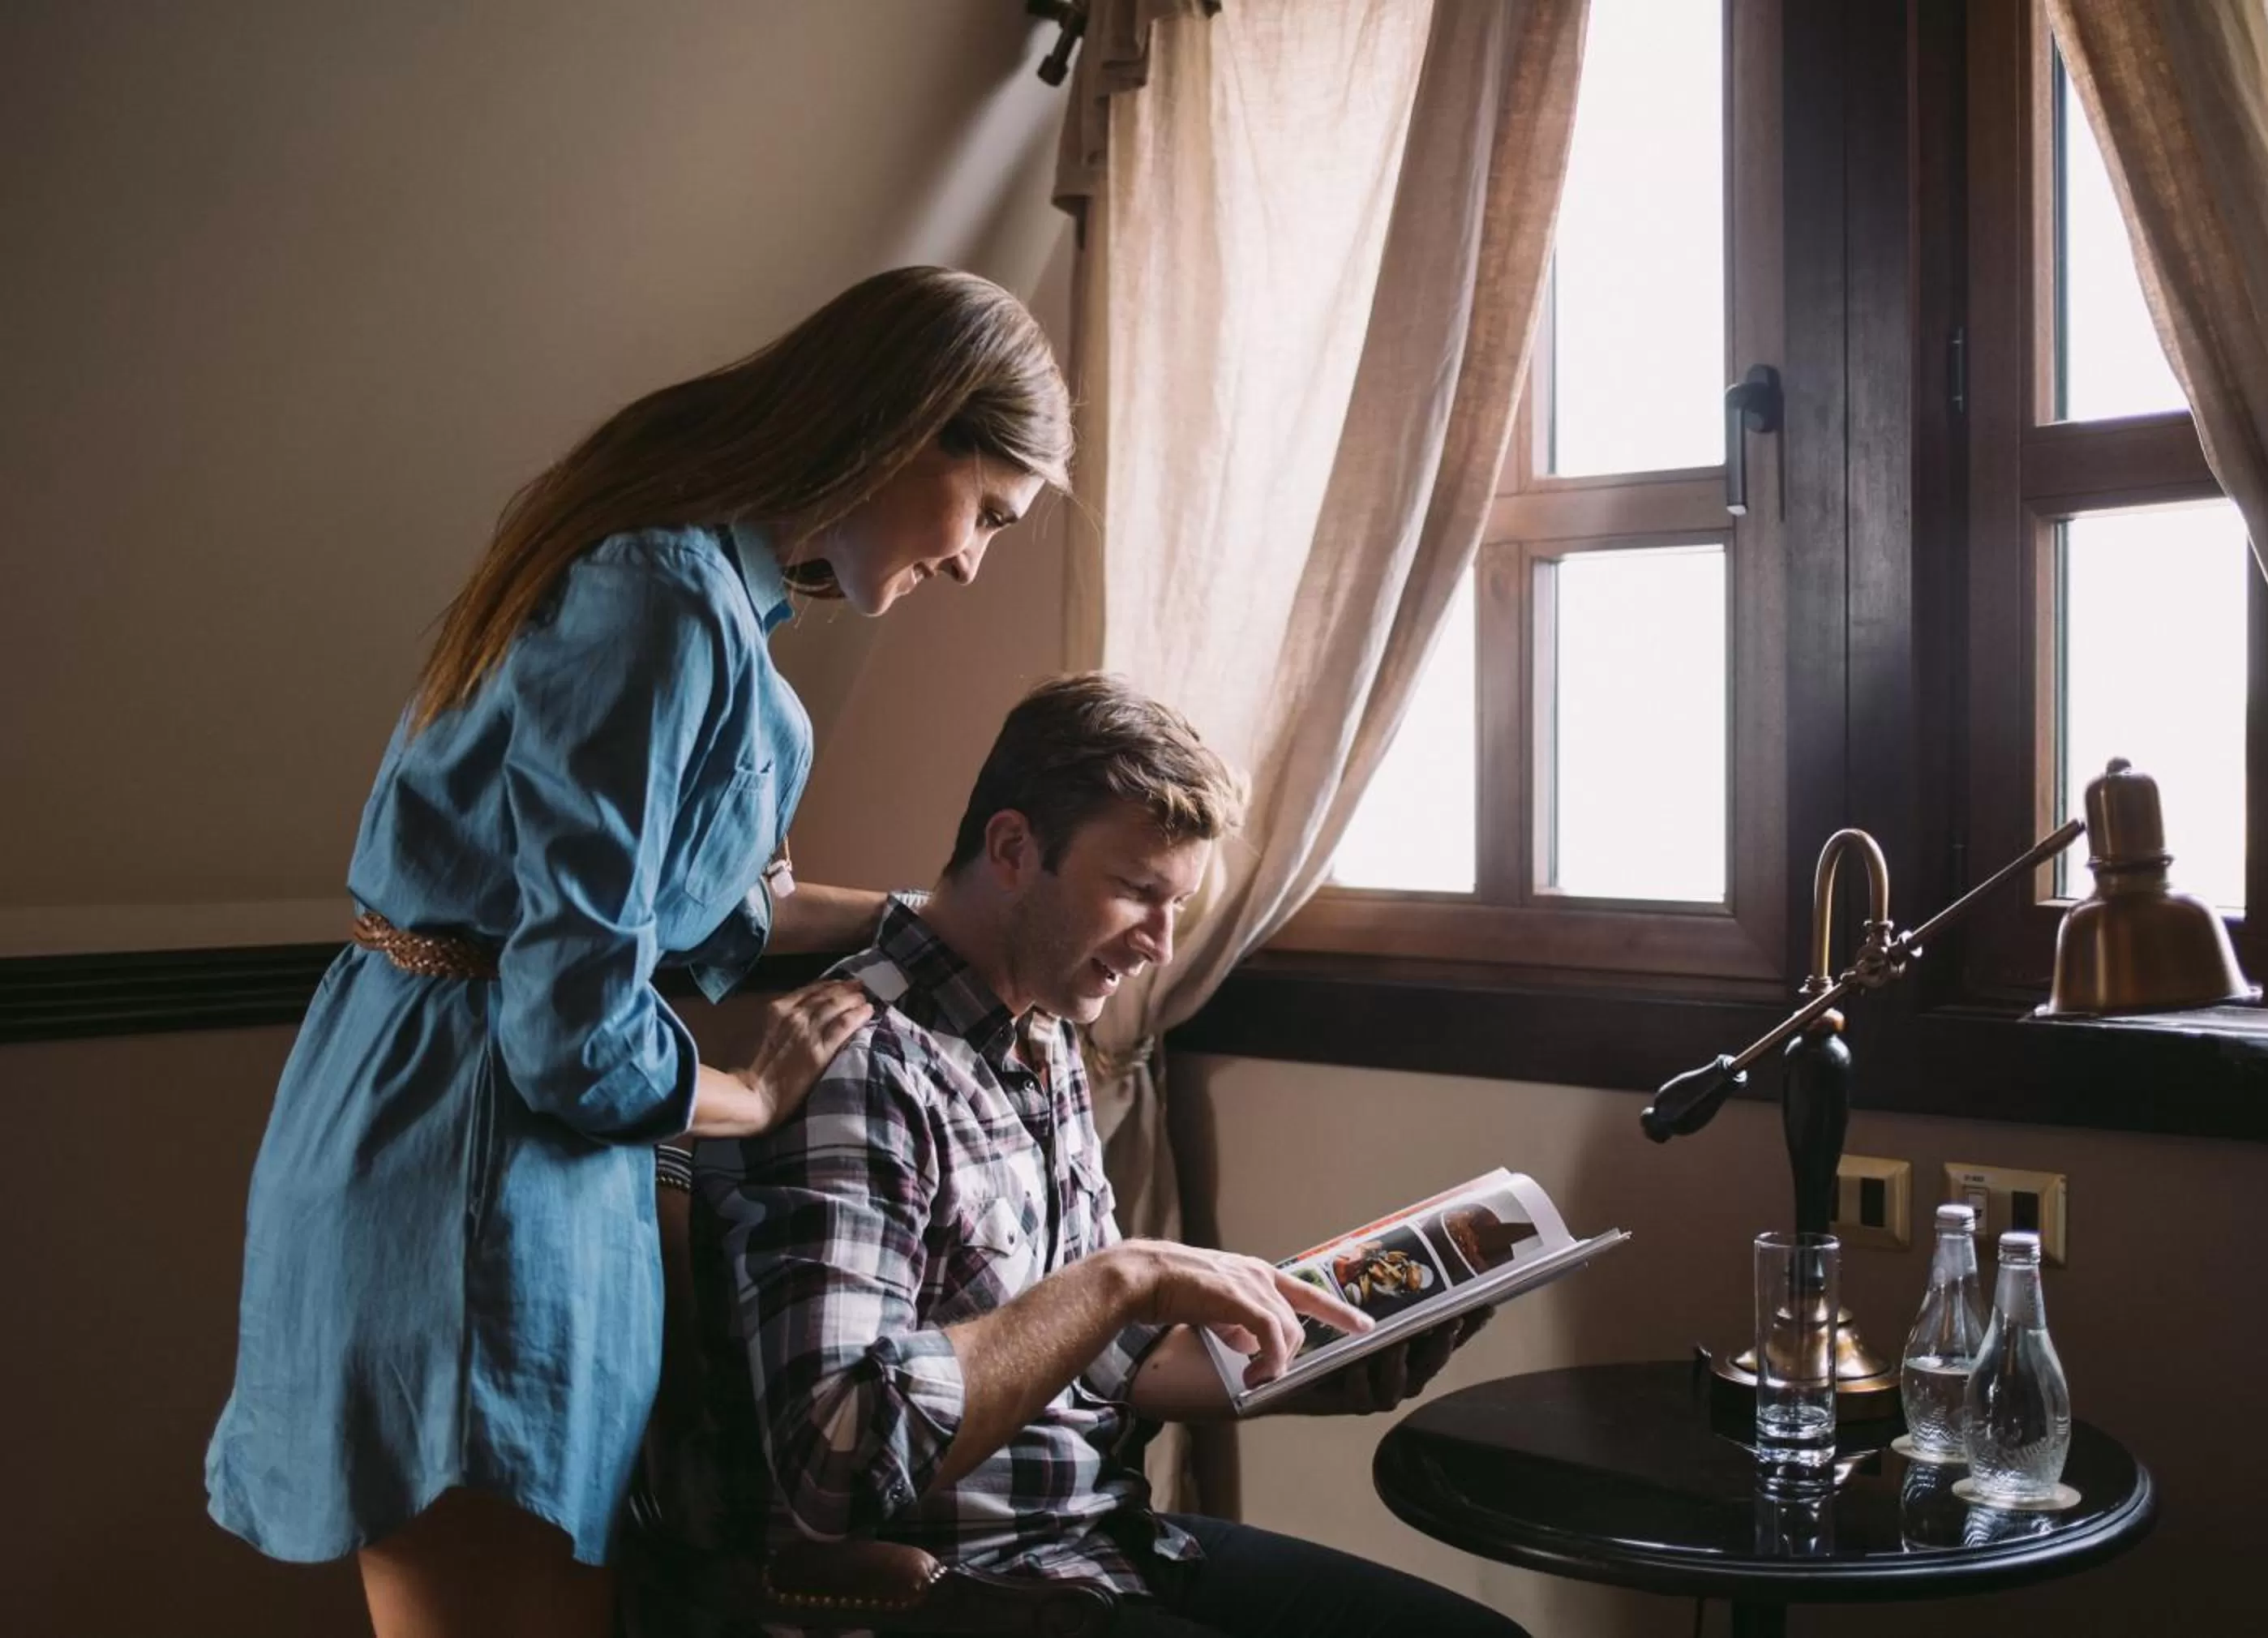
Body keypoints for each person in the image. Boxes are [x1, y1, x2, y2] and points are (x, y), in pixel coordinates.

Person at [204, 266, 1071, 1638]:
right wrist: (755, 1097)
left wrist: (934, 917)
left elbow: (684, 916)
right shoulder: (658, 601)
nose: (972, 559)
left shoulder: (703, 605)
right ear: (912, 432)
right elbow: (572, 1027)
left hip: (491, 1138)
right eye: (989, 514)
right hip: (477, 1162)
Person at [674, 674, 1521, 1638]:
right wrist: (1123, 1276)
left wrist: (1296, 1368)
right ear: (1012, 849)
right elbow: (836, 1458)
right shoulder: (860, 1065)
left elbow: (1100, 1351)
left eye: (1180, 905)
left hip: (1103, 1546)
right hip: (963, 1595)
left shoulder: (1043, 1031)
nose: (1160, 945)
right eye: (1136, 892)